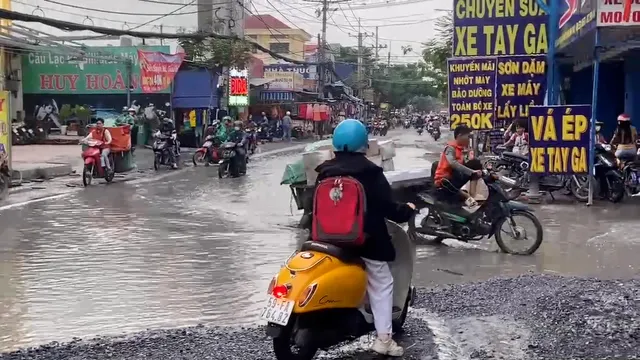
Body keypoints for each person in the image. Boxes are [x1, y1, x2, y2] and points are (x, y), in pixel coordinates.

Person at [313, 119, 415, 357]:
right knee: (381, 283)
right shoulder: (371, 172)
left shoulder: (324, 171)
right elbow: (388, 208)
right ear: (364, 144)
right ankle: (384, 340)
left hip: (326, 239)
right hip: (366, 241)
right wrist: (408, 208)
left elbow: (312, 208)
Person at [433, 125, 482, 212]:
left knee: (476, 163)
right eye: (468, 136)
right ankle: (469, 197)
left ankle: (472, 195)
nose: (469, 139)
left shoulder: (460, 149)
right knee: (473, 169)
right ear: (459, 136)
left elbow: (463, 165)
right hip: (445, 179)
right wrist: (472, 171)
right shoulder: (450, 148)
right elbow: (453, 163)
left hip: (455, 176)